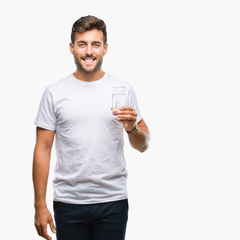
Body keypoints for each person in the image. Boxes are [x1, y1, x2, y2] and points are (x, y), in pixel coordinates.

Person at [32, 15, 150, 240]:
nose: (89, 51)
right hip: (69, 202)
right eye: (82, 44)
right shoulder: (54, 93)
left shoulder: (123, 89)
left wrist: (131, 127)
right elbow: (42, 150)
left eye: (95, 44)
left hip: (113, 201)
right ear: (72, 47)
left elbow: (143, 145)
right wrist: (39, 204)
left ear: (105, 48)